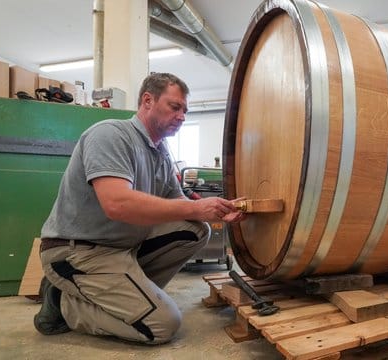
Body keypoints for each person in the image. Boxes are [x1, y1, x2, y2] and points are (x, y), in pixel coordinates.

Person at [34, 72, 245, 344]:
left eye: (185, 110)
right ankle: (64, 303)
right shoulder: (110, 135)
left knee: (195, 229)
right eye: (175, 107)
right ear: (148, 100)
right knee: (162, 325)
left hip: (121, 248)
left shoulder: (160, 152)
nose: (182, 116)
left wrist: (217, 210)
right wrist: (195, 208)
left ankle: (128, 296)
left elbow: (180, 203)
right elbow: (117, 204)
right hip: (78, 252)